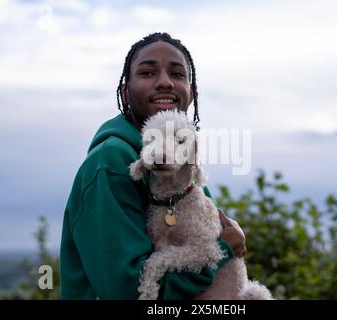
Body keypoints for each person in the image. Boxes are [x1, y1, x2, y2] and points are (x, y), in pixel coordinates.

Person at [60, 32, 246, 300]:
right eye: (147, 73)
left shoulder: (183, 167)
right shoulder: (111, 162)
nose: (165, 83)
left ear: (191, 94)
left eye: (178, 74)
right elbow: (126, 292)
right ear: (125, 92)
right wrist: (223, 250)